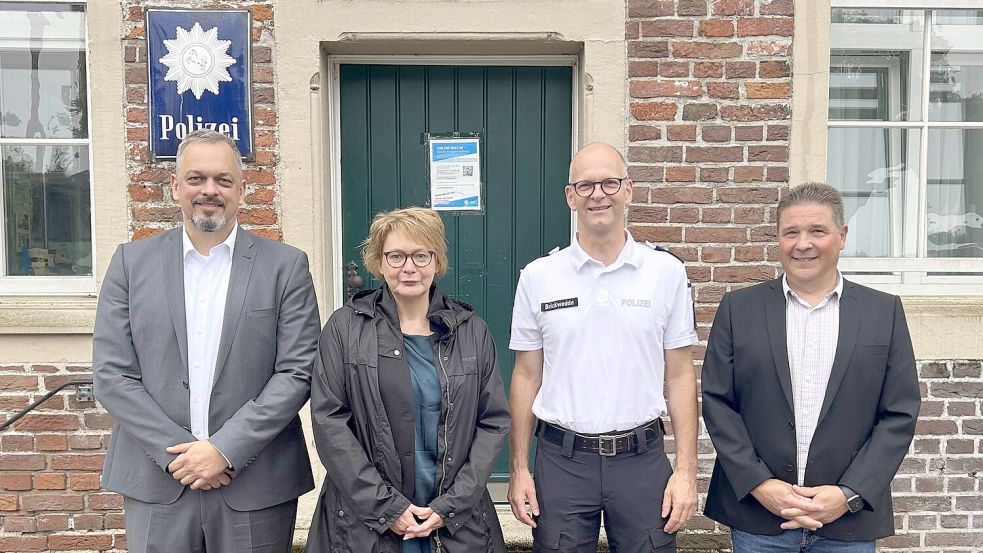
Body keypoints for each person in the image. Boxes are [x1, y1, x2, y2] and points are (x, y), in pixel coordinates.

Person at [92, 129, 320, 553]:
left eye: (223, 180)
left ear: (242, 189)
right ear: (176, 186)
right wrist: (183, 457)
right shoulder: (130, 263)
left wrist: (224, 449)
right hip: (155, 480)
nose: (209, 190)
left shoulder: (285, 268)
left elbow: (297, 371)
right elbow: (112, 374)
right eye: (196, 179)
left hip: (255, 484)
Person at [701, 182, 920, 552]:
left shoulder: (884, 313)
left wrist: (848, 493)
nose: (803, 244)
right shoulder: (739, 309)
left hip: (847, 523)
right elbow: (718, 402)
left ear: (842, 235)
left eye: (817, 231)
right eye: (791, 233)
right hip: (759, 520)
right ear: (778, 239)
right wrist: (759, 484)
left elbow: (899, 413)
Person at [507, 142, 700, 552]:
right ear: (570, 196)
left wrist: (686, 471)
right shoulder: (538, 277)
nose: (598, 194)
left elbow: (681, 374)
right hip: (562, 461)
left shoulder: (666, 272)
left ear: (628, 190)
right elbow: (526, 375)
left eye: (609, 182)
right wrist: (519, 468)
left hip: (641, 460)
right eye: (586, 185)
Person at [306, 207, 510, 553]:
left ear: (436, 260)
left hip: (455, 520)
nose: (409, 267)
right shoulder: (345, 328)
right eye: (396, 256)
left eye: (421, 255)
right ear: (379, 262)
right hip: (366, 522)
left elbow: (493, 422)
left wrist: (450, 506)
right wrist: (388, 508)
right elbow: (329, 422)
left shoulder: (471, 331)